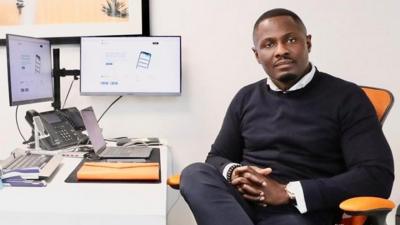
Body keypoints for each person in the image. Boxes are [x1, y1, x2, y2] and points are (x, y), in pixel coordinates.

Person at [179, 8, 394, 225]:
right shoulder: (246, 97)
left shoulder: (347, 97)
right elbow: (216, 158)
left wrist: (288, 192)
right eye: (269, 44)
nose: (281, 51)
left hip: (300, 213)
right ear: (257, 55)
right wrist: (235, 172)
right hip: (239, 207)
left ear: (308, 43)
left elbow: (375, 175)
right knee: (195, 174)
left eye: (290, 40)